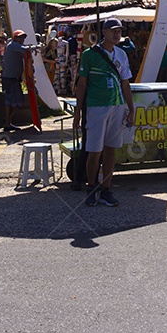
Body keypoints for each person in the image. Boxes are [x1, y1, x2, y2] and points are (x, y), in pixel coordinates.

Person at [71, 18, 135, 207]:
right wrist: (78, 112)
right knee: (94, 151)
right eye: (113, 31)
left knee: (111, 150)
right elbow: (81, 84)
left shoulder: (122, 55)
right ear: (104, 32)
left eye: (119, 31)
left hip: (117, 105)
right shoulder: (89, 55)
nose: (117, 34)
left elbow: (126, 83)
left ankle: (106, 189)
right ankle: (91, 187)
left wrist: (131, 108)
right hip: (96, 107)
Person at [1, 30, 34, 132]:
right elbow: (25, 49)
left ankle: (7, 122)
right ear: (15, 38)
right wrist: (36, 47)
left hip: (14, 79)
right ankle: (7, 122)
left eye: (23, 38)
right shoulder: (13, 45)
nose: (22, 40)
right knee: (11, 102)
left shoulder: (15, 46)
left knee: (15, 103)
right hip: (10, 79)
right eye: (20, 37)